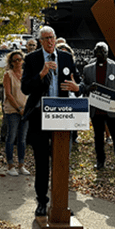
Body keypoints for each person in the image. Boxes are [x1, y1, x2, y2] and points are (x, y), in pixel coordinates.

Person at [21, 26, 80, 217]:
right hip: (39, 116)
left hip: (63, 115)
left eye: (52, 37)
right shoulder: (32, 59)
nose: (49, 41)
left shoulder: (66, 57)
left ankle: (60, 202)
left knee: (61, 161)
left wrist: (76, 87)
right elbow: (25, 88)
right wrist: (41, 73)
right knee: (42, 162)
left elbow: (78, 82)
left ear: (55, 39)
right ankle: (42, 201)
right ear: (40, 41)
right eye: (45, 38)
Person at [80, 42, 115, 171]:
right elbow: (83, 86)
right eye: (98, 52)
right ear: (94, 53)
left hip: (112, 109)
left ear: (107, 53)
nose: (100, 54)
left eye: (103, 52)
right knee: (98, 137)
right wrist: (90, 88)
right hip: (96, 110)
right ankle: (100, 161)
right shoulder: (87, 69)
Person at [3, 50, 30, 177]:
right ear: (11, 62)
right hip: (13, 110)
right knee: (11, 136)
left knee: (22, 139)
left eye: (20, 59)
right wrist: (19, 108)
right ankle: (10, 165)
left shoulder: (26, 74)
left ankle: (21, 164)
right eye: (15, 60)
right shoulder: (8, 75)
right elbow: (8, 94)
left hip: (26, 110)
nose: (18, 62)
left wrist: (26, 108)